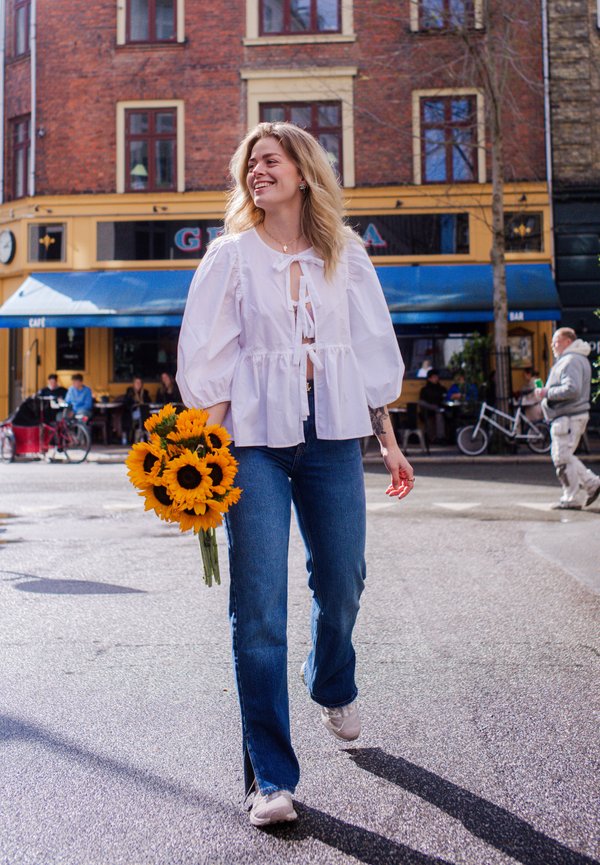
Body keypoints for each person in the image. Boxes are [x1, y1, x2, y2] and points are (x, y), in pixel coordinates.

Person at [177, 121, 414, 828]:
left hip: (334, 435)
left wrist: (391, 442)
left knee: (343, 577)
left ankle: (330, 677)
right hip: (252, 441)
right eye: (250, 164)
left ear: (303, 172)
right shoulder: (229, 257)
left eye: (270, 161)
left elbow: (372, 354)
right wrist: (205, 453)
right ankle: (270, 778)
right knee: (257, 612)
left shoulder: (347, 254)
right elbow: (211, 357)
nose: (257, 172)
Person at [535, 327, 600, 510]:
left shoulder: (571, 360)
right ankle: (591, 484)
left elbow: (572, 389)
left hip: (568, 417)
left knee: (562, 457)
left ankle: (573, 496)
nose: (552, 345)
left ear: (567, 342)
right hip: (568, 416)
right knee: (564, 456)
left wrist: (546, 392)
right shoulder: (573, 359)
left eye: (556, 341)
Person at [418, 368, 447, 442]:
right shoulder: (424, 389)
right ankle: (434, 438)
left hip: (442, 411)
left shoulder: (442, 388)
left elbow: (445, 399)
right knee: (436, 414)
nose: (436, 379)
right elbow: (421, 402)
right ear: (429, 378)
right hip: (428, 411)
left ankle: (440, 437)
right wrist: (433, 407)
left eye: (437, 377)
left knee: (439, 414)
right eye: (434, 377)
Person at [121, 375, 151, 444]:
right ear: (133, 384)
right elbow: (127, 404)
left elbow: (148, 404)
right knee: (140, 411)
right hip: (132, 414)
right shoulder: (130, 392)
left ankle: (144, 432)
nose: (138, 384)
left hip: (143, 415)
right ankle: (143, 432)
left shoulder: (145, 393)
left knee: (143, 411)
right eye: (136, 383)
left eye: (140, 383)